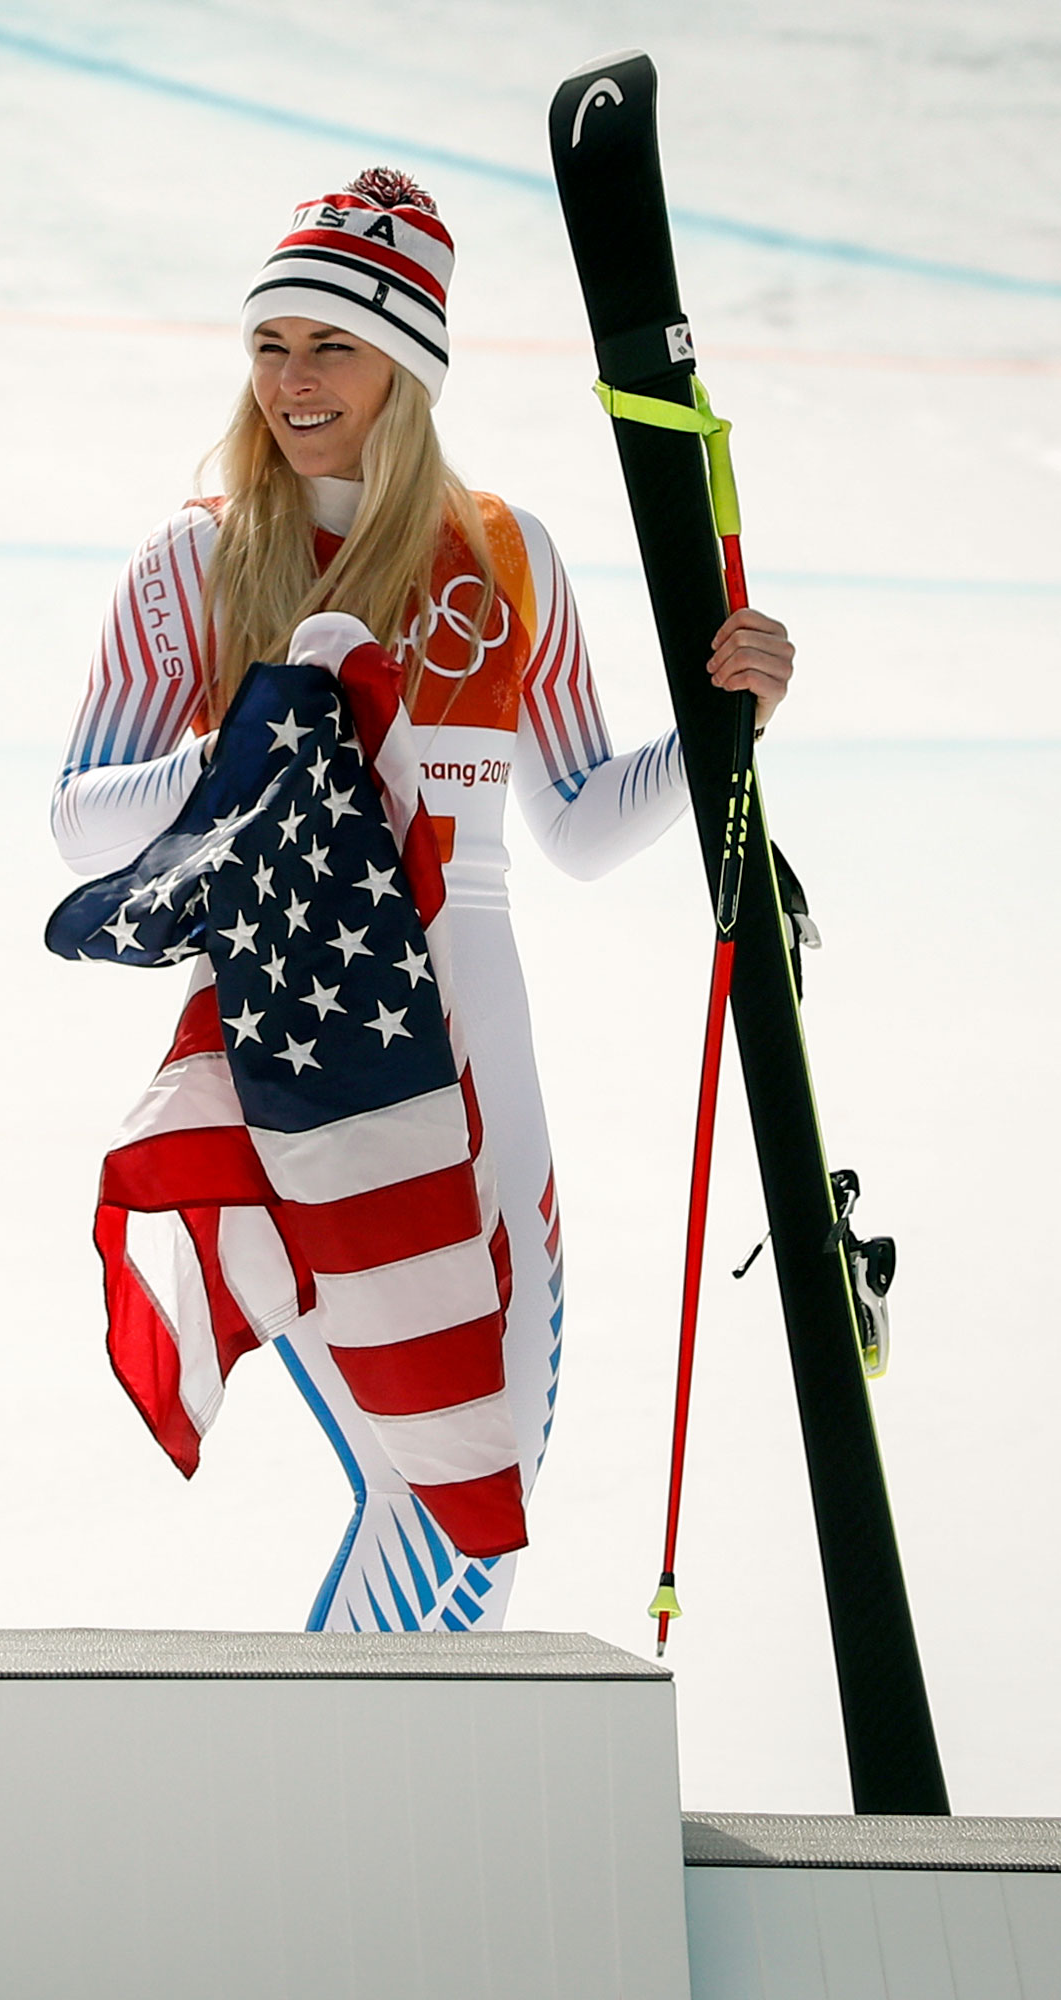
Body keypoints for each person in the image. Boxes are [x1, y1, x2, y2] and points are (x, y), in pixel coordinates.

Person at [51, 167, 795, 1633]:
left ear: (411, 366)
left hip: (480, 1062)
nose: (293, 381)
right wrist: (248, 755)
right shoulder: (195, 562)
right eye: (270, 347)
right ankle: (344, 1813)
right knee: (449, 1503)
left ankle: (358, 1800)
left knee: (484, 1490)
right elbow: (81, 818)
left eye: (330, 346)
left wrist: (729, 724)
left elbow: (578, 825)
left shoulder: (507, 555)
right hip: (301, 1061)